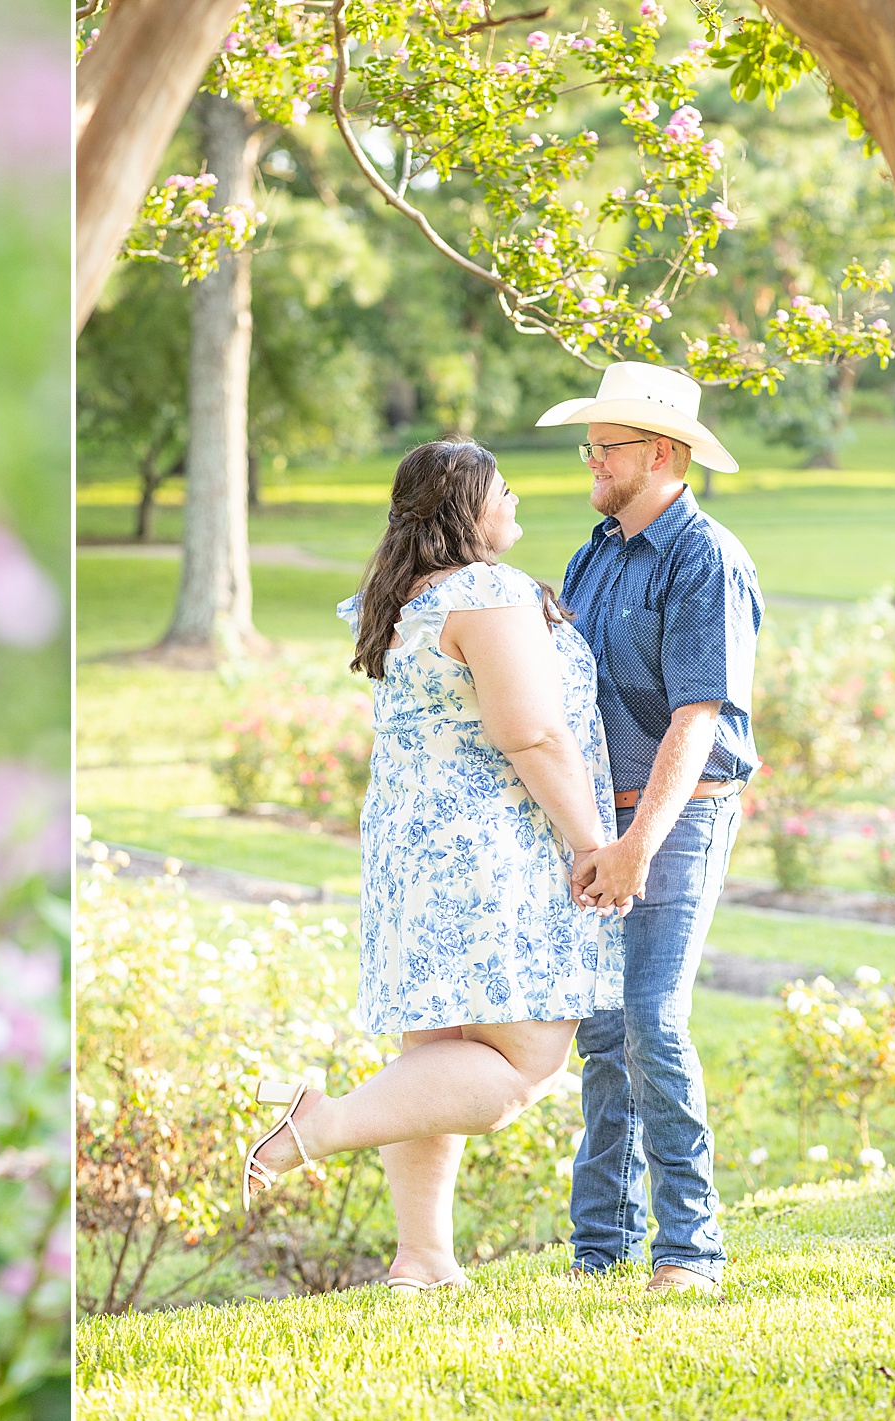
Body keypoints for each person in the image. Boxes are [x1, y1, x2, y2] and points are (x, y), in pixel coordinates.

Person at [239, 438, 625, 1294]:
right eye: (502, 487)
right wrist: (592, 841)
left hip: (414, 852)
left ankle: (423, 1258)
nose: (517, 495)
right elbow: (531, 730)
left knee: (435, 1053)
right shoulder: (486, 591)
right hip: (490, 850)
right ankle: (319, 1124)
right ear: (466, 508)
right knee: (522, 1067)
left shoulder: (401, 597)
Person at [535, 361, 763, 1296]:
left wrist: (638, 843)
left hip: (680, 818)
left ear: (661, 454)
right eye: (590, 443)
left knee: (653, 1019)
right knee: (601, 1029)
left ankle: (690, 1252)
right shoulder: (595, 552)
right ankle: (600, 1250)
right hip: (600, 825)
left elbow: (698, 716)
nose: (591, 458)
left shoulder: (706, 557)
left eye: (606, 445)